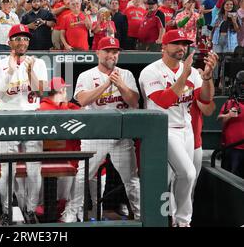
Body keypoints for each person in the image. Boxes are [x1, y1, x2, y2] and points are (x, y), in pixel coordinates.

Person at [139, 29, 218, 227]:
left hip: (186, 128)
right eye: (176, 43)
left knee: (181, 178)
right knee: (187, 173)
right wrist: (184, 74)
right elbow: (164, 100)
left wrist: (207, 78)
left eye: (184, 44)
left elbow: (206, 99)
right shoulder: (151, 71)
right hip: (162, 128)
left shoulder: (190, 70)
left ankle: (177, 221)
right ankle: (181, 221)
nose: (182, 47)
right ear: (163, 46)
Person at [61, 37, 141, 223]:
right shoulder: (87, 76)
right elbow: (82, 100)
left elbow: (134, 102)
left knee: (131, 180)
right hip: (95, 135)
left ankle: (140, 214)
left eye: (115, 51)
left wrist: (120, 84)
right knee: (82, 176)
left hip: (120, 136)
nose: (112, 55)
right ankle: (71, 212)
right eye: (107, 51)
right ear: (98, 53)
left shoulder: (126, 74)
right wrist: (106, 85)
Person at [0, 24, 48, 225]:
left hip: (32, 118)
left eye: (25, 38)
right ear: (9, 42)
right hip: (8, 118)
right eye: (17, 38)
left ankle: (30, 211)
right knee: (7, 170)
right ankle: (6, 212)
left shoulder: (38, 63)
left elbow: (42, 92)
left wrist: (30, 71)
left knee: (34, 169)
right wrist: (10, 72)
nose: (22, 42)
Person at [39, 77, 81, 212]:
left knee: (71, 195)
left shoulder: (67, 105)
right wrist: (65, 107)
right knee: (56, 198)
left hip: (72, 157)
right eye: (64, 89)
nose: (66, 92)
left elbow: (82, 113)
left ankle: (69, 212)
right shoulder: (43, 107)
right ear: (60, 90)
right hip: (54, 160)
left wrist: (66, 106)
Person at [217, 71, 244, 178]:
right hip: (232, 149)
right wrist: (229, 115)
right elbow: (219, 119)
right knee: (230, 178)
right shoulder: (230, 103)